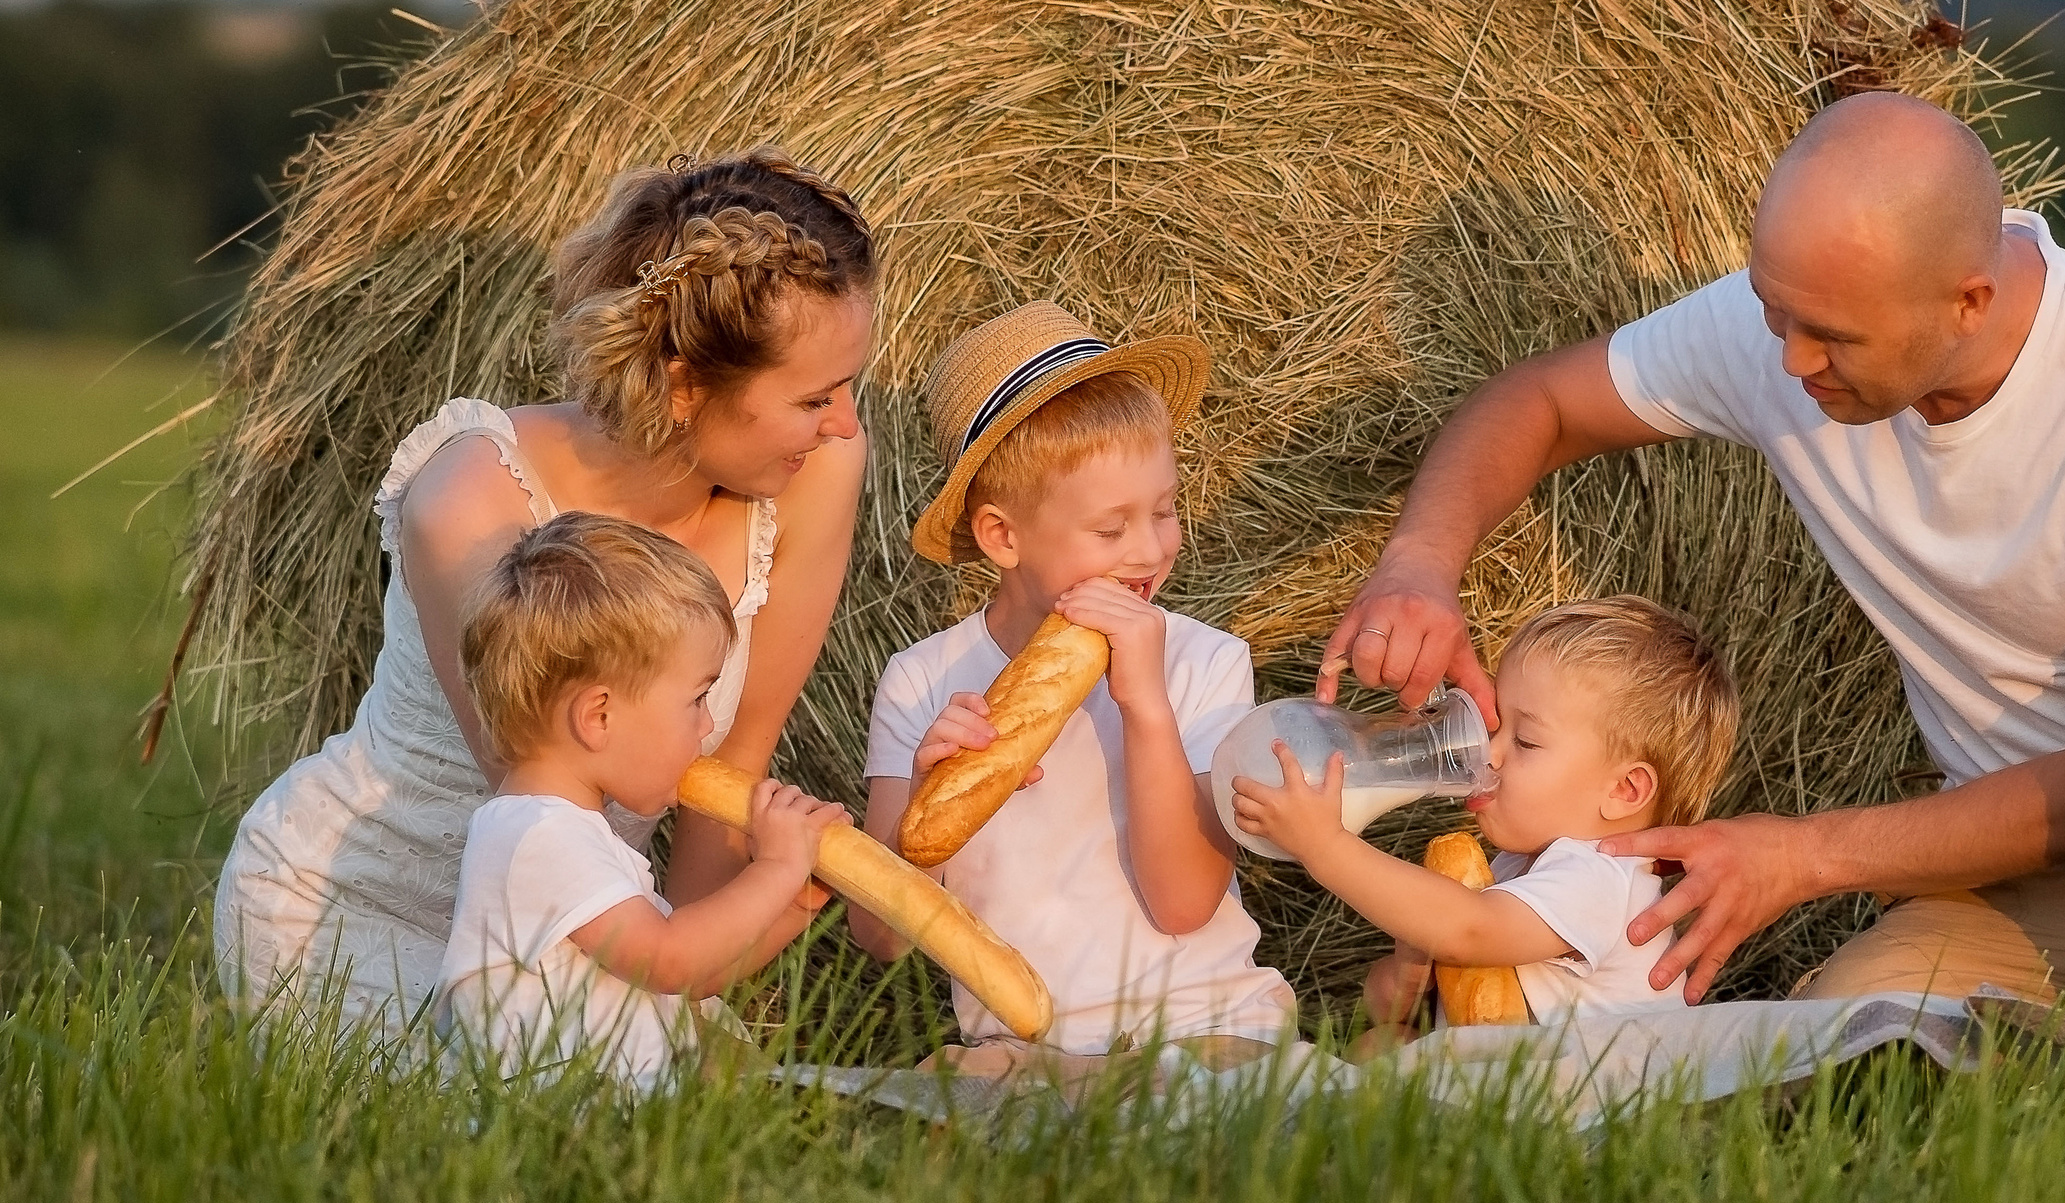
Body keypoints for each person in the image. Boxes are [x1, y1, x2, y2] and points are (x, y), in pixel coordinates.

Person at [1319, 91, 2065, 1069]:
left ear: (1968, 303)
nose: (1791, 363)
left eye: (1831, 337)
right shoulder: (1800, 325)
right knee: (1844, 1047)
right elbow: (1539, 403)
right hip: (2052, 887)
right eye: (1773, 312)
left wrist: (1804, 855)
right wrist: (1419, 564)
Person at [216, 148, 876, 1043]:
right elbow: (554, 811)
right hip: (360, 914)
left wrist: (712, 974)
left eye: (848, 388)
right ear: (685, 386)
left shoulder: (816, 468)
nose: (842, 422)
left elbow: (735, 763)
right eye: (814, 396)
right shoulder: (470, 504)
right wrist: (704, 952)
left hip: (608, 921)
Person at [862, 302, 1297, 1074]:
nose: (1150, 548)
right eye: (1110, 529)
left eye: (1164, 511)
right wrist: (930, 798)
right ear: (1003, 537)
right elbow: (883, 937)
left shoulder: (1201, 661)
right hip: (1019, 1044)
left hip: (1204, 1026)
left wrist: (1145, 707)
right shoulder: (922, 682)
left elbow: (1185, 902)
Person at [434, 513, 843, 1088]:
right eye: (697, 698)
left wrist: (795, 903)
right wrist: (777, 867)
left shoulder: (570, 834)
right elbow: (669, 960)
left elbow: (696, 973)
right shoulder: (535, 835)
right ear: (598, 717)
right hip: (557, 1133)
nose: (707, 725)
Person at [1233, 595, 1737, 1046]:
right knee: (1381, 1044)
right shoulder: (1517, 866)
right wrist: (1409, 971)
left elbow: (1470, 931)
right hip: (1508, 1090)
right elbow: (1394, 1009)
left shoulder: (1602, 878)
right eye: (1497, 726)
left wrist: (1324, 846)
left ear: (1625, 790)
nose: (1488, 755)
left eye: (1525, 742)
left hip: (1580, 1116)